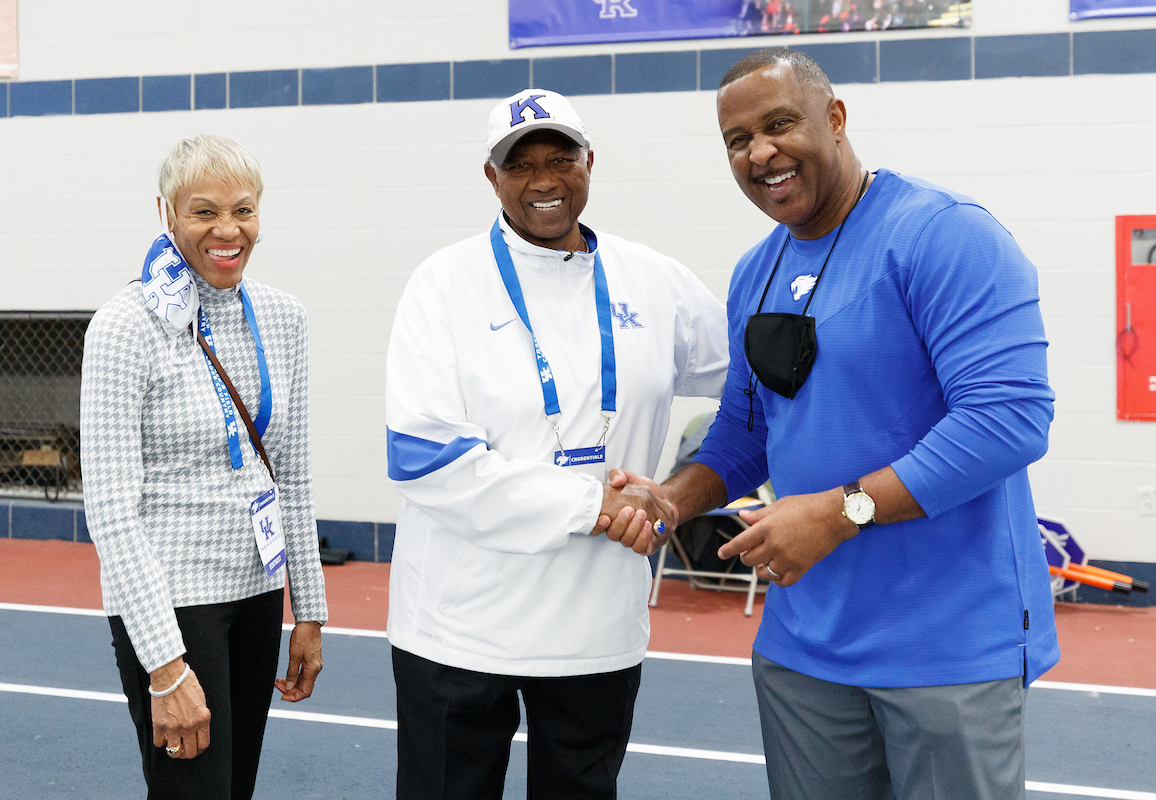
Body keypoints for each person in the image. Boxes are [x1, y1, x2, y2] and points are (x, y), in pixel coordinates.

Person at [610, 49, 1059, 799]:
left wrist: (840, 512)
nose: (761, 152)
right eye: (737, 139)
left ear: (837, 118)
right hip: (803, 652)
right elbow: (745, 431)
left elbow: (1010, 419)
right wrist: (671, 500)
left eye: (779, 124)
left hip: (947, 651)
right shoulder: (756, 271)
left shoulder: (944, 235)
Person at [384, 88, 729, 799]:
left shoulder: (655, 281)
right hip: (459, 627)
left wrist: (688, 490)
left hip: (596, 626)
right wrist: (595, 506)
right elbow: (425, 459)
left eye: (560, 158)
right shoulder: (443, 285)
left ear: (590, 162)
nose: (543, 180)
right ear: (491, 177)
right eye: (520, 165)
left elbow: (757, 389)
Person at [81, 133, 328, 799]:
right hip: (170, 605)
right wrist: (164, 665)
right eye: (204, 211)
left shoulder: (284, 317)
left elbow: (292, 476)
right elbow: (110, 510)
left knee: (232, 789)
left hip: (255, 595)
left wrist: (309, 609)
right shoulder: (124, 327)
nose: (228, 230)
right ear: (166, 213)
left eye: (243, 211)